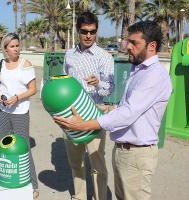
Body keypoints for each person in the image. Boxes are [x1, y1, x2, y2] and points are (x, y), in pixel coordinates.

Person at [54, 20, 172, 200]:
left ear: (152, 46)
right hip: (124, 151)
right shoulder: (138, 70)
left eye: (134, 43)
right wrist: (108, 109)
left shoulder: (154, 75)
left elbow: (128, 113)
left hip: (136, 153)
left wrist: (86, 124)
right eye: (128, 42)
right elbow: (126, 107)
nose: (128, 47)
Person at [63, 11, 114, 200]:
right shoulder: (69, 55)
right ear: (78, 30)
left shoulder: (104, 57)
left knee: (98, 167)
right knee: (76, 164)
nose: (88, 36)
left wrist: (98, 84)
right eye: (84, 31)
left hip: (95, 116)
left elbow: (109, 90)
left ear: (96, 31)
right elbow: (65, 82)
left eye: (92, 31)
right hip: (72, 116)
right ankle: (80, 196)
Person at [0, 32, 39, 199]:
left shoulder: (26, 64)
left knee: (24, 147)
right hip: (1, 111)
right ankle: (6, 178)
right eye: (12, 46)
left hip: (20, 112)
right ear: (5, 49)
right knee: (3, 145)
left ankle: (33, 184)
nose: (16, 49)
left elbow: (33, 89)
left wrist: (17, 97)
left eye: (17, 45)